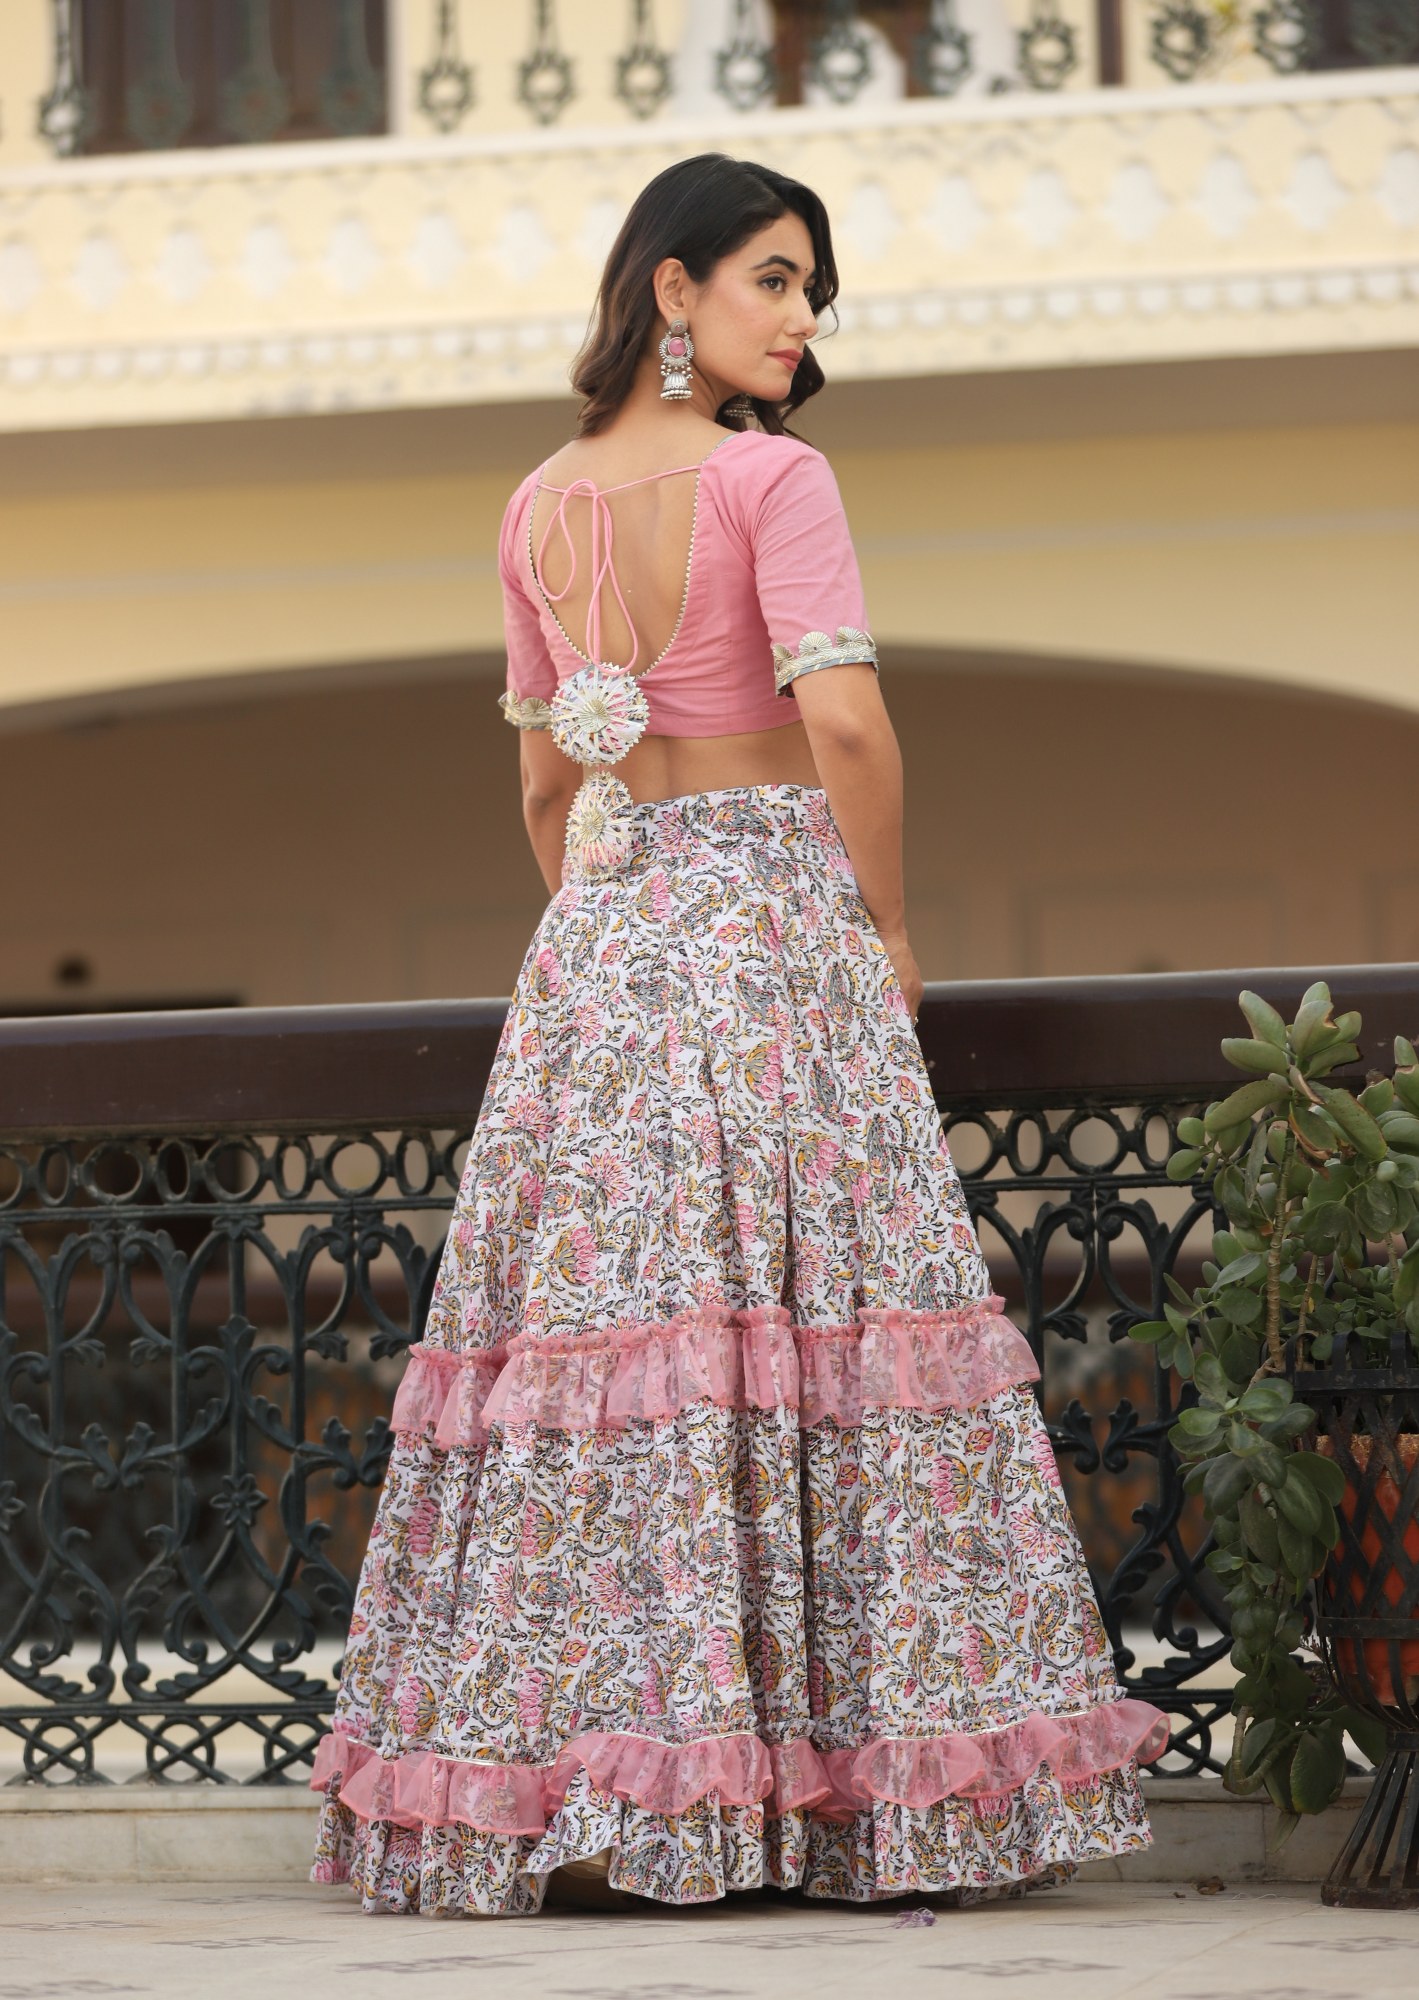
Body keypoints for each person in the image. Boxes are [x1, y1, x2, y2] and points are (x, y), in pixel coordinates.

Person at [310, 153, 1168, 1917]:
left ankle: (606, 1793)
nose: (800, 318)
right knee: (826, 1339)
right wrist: (890, 923)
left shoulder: (534, 505)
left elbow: (546, 783)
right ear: (673, 287)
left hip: (607, 942)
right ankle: (848, 1802)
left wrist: (616, 927)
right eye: (773, 279)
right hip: (779, 925)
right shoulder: (777, 477)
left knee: (617, 1369)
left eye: (811, 292)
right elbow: (845, 726)